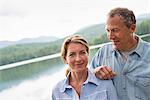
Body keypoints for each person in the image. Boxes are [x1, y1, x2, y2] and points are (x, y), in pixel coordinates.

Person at [90, 7, 150, 100]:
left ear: (132, 28)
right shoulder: (102, 53)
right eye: (108, 30)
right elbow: (85, 80)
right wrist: (94, 72)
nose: (110, 36)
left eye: (115, 30)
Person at [52, 35, 118, 100]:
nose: (78, 59)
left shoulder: (105, 84)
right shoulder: (57, 91)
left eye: (82, 53)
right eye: (72, 54)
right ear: (65, 59)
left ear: (88, 54)